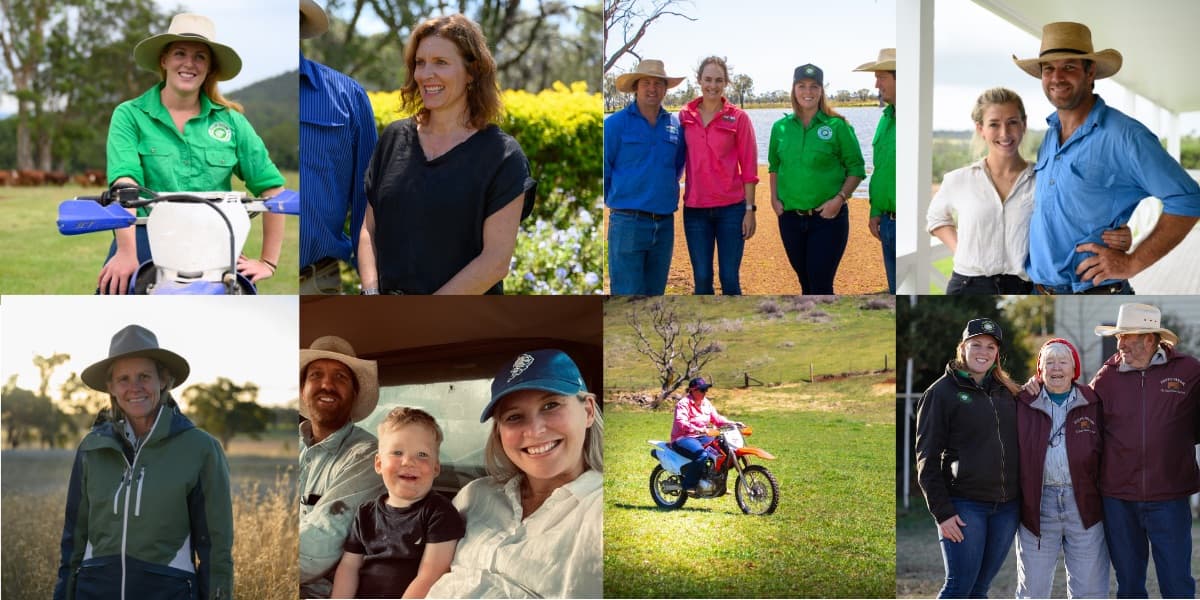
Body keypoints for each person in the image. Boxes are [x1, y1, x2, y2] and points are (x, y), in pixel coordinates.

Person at [101, 13, 287, 295]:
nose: (189, 63)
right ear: (164, 60)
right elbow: (124, 184)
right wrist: (126, 252)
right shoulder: (129, 115)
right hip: (142, 241)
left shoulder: (232, 122)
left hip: (215, 250)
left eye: (200, 56)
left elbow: (272, 188)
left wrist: (268, 262)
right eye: (179, 53)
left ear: (209, 67)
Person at [1013, 21, 1200, 294]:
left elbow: (1188, 199)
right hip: (1039, 292)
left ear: (1091, 73)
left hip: (1095, 292)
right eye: (1049, 69)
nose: (1056, 77)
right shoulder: (1050, 136)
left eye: (1069, 67)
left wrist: (1132, 262)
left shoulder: (1125, 136)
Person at [358, 14, 534, 295]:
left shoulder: (503, 157)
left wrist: (425, 317)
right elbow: (368, 228)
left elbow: (495, 262)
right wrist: (371, 293)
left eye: (441, 63)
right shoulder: (392, 138)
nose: (426, 74)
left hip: (460, 322)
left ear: (473, 71)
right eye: (420, 62)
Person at [54, 325, 233, 599]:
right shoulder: (91, 448)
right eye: (123, 379)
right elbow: (73, 541)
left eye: (144, 376)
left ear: (164, 381)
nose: (134, 387)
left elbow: (216, 549)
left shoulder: (201, 449)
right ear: (111, 387)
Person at [427, 349, 602, 598]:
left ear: (588, 411)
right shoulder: (474, 496)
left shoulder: (599, 511)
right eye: (514, 416)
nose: (534, 430)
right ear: (499, 432)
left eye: (551, 405)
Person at [927, 88, 1131, 295]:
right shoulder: (959, 180)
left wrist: (1118, 233)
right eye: (994, 124)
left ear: (1024, 124)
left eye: (1012, 122)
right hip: (967, 286)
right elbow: (935, 218)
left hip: (1026, 287)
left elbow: (1076, 216)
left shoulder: (1044, 179)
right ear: (981, 129)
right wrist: (960, 250)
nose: (1004, 133)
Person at [1092, 303, 1200, 597]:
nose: (1120, 343)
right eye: (1118, 336)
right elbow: (1087, 431)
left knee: (1177, 582)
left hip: (1171, 495)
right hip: (1118, 498)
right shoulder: (1105, 378)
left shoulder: (1190, 371)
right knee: (1128, 583)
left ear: (1150, 339)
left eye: (1127, 336)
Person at [914, 318, 1021, 598]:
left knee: (980, 589)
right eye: (976, 345)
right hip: (965, 507)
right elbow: (926, 458)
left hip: (1007, 508)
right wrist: (943, 512)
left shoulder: (1007, 392)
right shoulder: (941, 393)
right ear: (962, 347)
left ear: (997, 353)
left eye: (990, 346)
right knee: (959, 587)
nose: (982, 352)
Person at [331, 407, 464, 599]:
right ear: (378, 464)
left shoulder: (440, 514)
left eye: (422, 455)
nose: (409, 461)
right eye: (397, 452)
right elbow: (349, 567)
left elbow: (430, 577)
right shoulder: (366, 513)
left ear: (436, 468)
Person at [1014, 338, 1107, 598]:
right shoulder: (1023, 403)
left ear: (1074, 369)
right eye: (1049, 362)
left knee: (1089, 589)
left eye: (1063, 361)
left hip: (1085, 505)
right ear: (1039, 370)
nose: (1056, 368)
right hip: (1037, 506)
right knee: (1033, 588)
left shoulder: (1093, 402)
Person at [299, 0, 378, 294]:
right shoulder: (234, 102)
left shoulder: (348, 96)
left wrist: (371, 286)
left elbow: (367, 199)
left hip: (317, 281)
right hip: (246, 276)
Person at [299, 336, 387, 599]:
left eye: (340, 377)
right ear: (302, 389)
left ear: (354, 394)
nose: (327, 384)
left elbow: (318, 548)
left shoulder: (368, 456)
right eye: (316, 375)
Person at [768, 63, 865, 294]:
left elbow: (857, 168)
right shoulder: (780, 127)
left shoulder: (837, 126)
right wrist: (774, 199)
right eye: (801, 86)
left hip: (827, 219)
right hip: (790, 219)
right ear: (793, 89)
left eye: (814, 86)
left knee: (820, 285)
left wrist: (839, 199)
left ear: (822, 90)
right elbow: (774, 166)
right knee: (805, 284)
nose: (807, 92)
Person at [604, 58, 688, 295]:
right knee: (627, 297)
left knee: (655, 298)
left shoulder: (675, 126)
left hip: (664, 224)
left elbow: (677, 166)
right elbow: (604, 170)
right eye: (646, 83)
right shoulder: (615, 125)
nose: (653, 88)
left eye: (658, 83)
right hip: (628, 223)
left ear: (665, 89)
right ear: (635, 87)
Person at [678, 56, 758, 295]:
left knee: (729, 278)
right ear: (699, 80)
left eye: (718, 80)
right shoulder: (684, 117)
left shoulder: (739, 118)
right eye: (708, 79)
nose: (713, 85)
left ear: (726, 83)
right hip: (695, 211)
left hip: (731, 210)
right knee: (701, 279)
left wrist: (749, 210)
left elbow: (750, 170)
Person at [854, 48, 897, 293]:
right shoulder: (885, 118)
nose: (876, 83)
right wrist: (875, 210)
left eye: (881, 76)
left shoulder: (917, 118)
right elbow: (881, 170)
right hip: (887, 224)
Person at [670, 377, 741, 491]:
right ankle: (689, 485)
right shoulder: (683, 404)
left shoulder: (706, 403)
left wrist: (733, 423)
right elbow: (681, 423)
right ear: (693, 390)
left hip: (702, 436)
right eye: (702, 390)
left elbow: (717, 419)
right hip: (683, 438)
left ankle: (717, 482)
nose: (705, 393)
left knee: (723, 449)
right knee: (701, 455)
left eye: (706, 390)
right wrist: (699, 429)